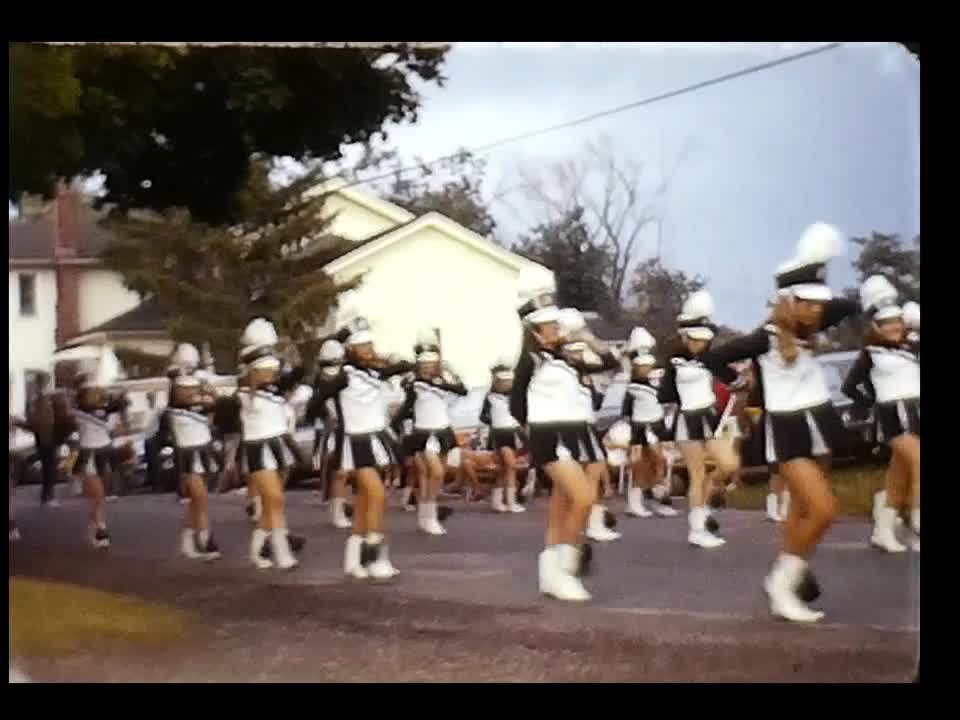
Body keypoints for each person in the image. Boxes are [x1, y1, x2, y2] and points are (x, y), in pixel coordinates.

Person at [699, 222, 861, 623]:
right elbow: (714, 359)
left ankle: (786, 588)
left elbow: (848, 306)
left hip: (819, 422)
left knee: (802, 511)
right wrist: (742, 385)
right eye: (808, 303)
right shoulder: (765, 337)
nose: (818, 310)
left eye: (818, 304)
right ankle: (784, 578)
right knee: (824, 509)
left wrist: (815, 266)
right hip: (787, 429)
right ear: (789, 302)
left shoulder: (813, 324)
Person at [510, 268, 613, 602]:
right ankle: (566, 569)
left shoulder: (570, 356)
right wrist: (534, 430)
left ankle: (550, 570)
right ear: (535, 331)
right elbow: (516, 402)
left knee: (562, 502)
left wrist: (586, 337)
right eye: (549, 325)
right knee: (583, 497)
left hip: (577, 431)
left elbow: (609, 363)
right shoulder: (529, 359)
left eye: (556, 323)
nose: (556, 329)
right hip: (549, 434)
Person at [318, 294, 412, 579]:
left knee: (363, 502)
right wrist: (333, 418)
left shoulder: (375, 372)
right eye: (364, 346)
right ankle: (375, 556)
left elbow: (403, 365)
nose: (370, 349)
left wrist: (391, 361)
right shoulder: (345, 375)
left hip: (376, 437)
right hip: (356, 441)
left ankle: (354, 558)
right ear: (352, 350)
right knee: (377, 495)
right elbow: (320, 396)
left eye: (371, 344)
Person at [658, 290, 743, 549]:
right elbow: (665, 394)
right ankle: (697, 527)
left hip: (710, 416)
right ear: (684, 336)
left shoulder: (712, 358)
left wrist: (741, 383)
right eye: (694, 339)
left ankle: (706, 498)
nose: (699, 344)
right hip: (687, 419)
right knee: (696, 474)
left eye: (703, 340)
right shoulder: (673, 362)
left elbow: (736, 381)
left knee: (728, 464)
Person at [841, 277, 920, 553]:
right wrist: (872, 401)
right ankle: (918, 519)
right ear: (876, 326)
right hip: (891, 417)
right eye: (886, 323)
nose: (893, 327)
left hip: (916, 413)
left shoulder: (913, 346)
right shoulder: (870, 353)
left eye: (897, 321)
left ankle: (883, 531)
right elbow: (849, 386)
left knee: (899, 477)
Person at [391, 329, 467, 535]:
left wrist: (448, 375)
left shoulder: (444, 378)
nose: (427, 364)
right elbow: (407, 406)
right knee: (434, 472)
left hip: (442, 431)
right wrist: (395, 427)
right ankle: (430, 515)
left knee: (432, 477)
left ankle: (425, 515)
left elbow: (463, 390)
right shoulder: (413, 382)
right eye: (423, 361)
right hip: (422, 432)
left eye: (430, 361)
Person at [556, 309, 622, 543]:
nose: (577, 355)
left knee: (594, 473)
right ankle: (571, 528)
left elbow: (612, 362)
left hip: (586, 426)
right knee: (570, 483)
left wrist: (589, 339)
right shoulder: (557, 368)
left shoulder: (582, 370)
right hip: (567, 429)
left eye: (579, 351)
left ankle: (591, 524)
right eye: (572, 351)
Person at [160, 344, 221, 561]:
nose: (191, 392)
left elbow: (214, 404)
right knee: (200, 497)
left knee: (197, 500)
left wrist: (207, 391)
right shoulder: (175, 403)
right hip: (187, 453)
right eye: (186, 389)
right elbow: (180, 398)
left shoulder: (201, 398)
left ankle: (187, 540)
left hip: (202, 450)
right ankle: (205, 539)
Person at [621, 327, 678, 519]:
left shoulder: (658, 381)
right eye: (642, 366)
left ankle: (659, 500)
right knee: (641, 465)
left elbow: (667, 401)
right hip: (640, 428)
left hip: (658, 425)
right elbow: (626, 411)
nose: (647, 368)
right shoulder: (632, 386)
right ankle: (634, 502)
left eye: (649, 365)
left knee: (660, 463)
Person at [71, 371, 128, 549]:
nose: (96, 395)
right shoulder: (78, 413)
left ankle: (94, 526)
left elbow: (117, 429)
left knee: (100, 493)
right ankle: (101, 529)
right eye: (92, 392)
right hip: (89, 453)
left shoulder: (107, 411)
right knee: (97, 494)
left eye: (97, 392)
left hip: (105, 451)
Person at [306, 338, 353, 530]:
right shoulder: (328, 379)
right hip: (335, 427)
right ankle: (336, 509)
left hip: (342, 426)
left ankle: (337, 507)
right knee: (339, 470)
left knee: (341, 470)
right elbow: (323, 403)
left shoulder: (328, 377)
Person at [479, 363, 527, 513]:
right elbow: (483, 416)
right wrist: (494, 420)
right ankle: (510, 502)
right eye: (502, 381)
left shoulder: (517, 397)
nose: (505, 384)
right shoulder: (490, 397)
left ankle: (497, 501)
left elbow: (524, 413)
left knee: (503, 469)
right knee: (510, 466)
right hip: (498, 434)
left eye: (508, 381)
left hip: (512, 433)